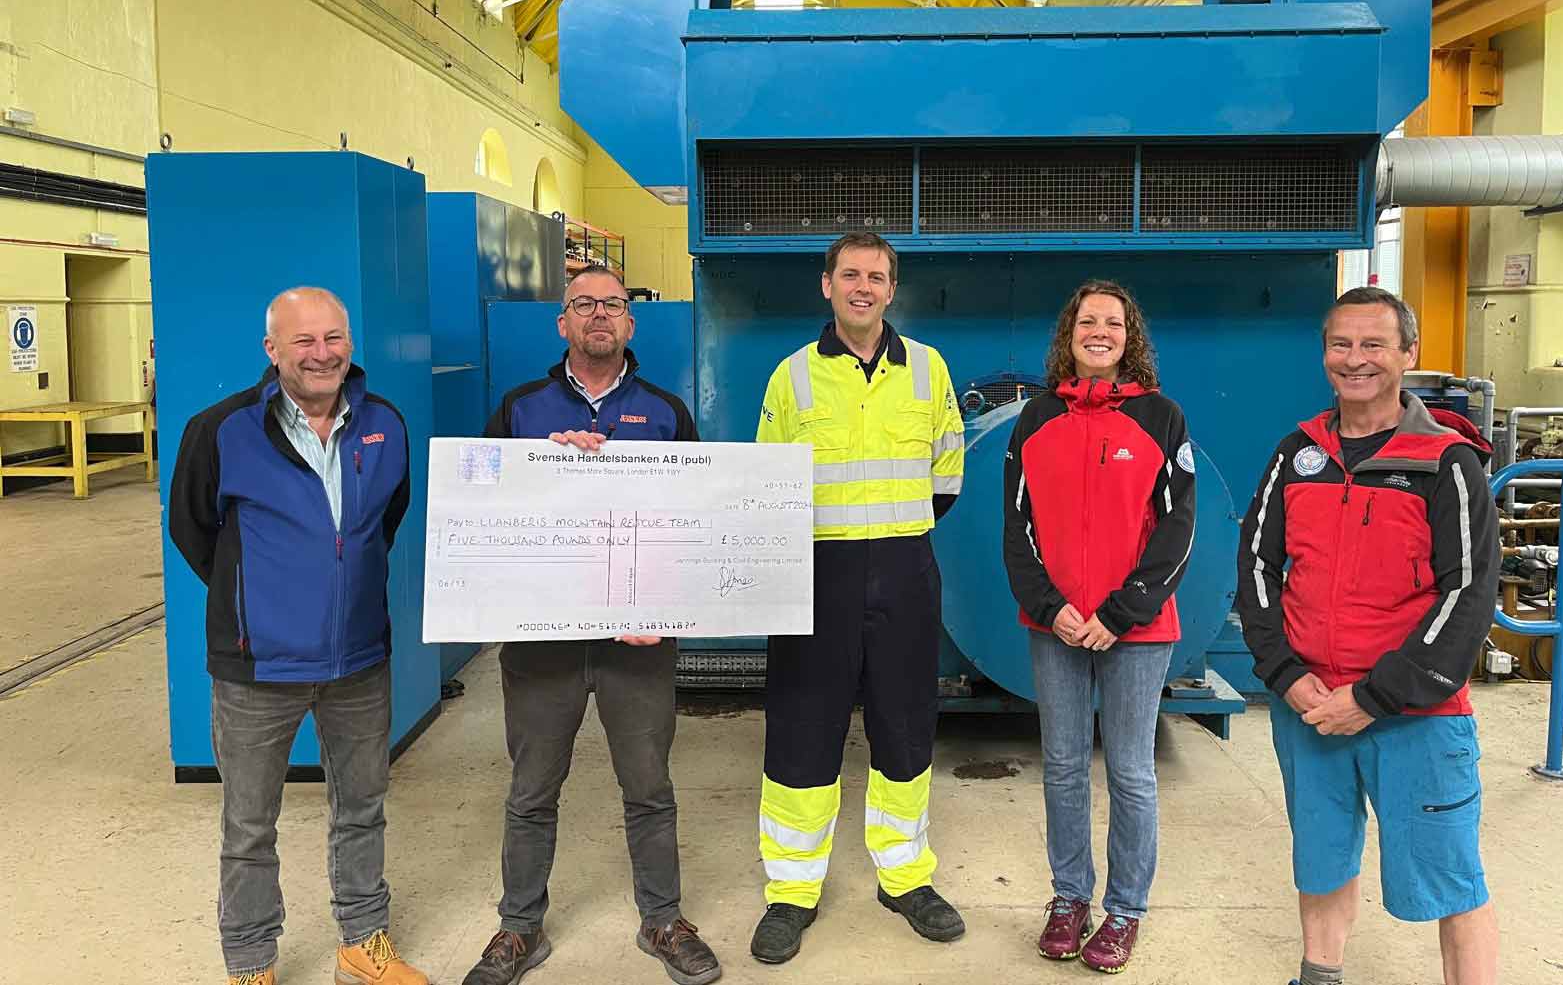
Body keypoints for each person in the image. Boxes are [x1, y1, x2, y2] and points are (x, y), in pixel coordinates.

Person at [461, 265, 720, 985]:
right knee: (532, 788)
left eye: (612, 305)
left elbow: (693, 522)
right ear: (563, 323)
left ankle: (663, 919)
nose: (599, 315)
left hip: (636, 641)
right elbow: (480, 513)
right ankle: (520, 929)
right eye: (585, 305)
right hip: (542, 641)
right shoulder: (520, 409)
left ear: (631, 323)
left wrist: (665, 610)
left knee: (648, 785)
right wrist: (546, 469)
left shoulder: (666, 412)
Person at [1237, 286, 1499, 985]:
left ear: (1409, 354)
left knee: (1451, 880)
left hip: (1417, 715)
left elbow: (1468, 599)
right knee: (1320, 864)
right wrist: (1287, 677)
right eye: (1341, 345)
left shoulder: (1447, 462)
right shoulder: (1298, 453)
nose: (1356, 361)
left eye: (1374, 345)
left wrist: (1376, 697)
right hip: (1311, 708)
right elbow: (1257, 569)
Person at [169, 287, 425, 985]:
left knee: (362, 809)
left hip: (360, 659)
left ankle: (361, 943)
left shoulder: (386, 424)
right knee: (249, 825)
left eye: (333, 337)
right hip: (258, 668)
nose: (321, 354)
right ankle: (251, 962)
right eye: (304, 341)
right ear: (272, 350)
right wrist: (260, 602)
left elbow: (383, 523)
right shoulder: (220, 430)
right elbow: (193, 531)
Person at [749, 232, 967, 964]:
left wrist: (892, 537)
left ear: (891, 288)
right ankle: (791, 890)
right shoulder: (792, 377)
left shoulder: (929, 370)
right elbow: (768, 483)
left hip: (905, 570)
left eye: (876, 276)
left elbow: (947, 473)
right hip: (812, 574)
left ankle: (905, 877)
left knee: (905, 727)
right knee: (802, 730)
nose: (863, 286)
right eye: (851, 274)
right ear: (827, 285)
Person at [1001, 280, 1196, 974]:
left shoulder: (1162, 419)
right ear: (1070, 333)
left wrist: (1119, 613)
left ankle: (1125, 912)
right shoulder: (1034, 419)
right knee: (1060, 766)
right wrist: (1052, 606)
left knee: (1133, 772)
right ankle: (1069, 899)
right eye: (1088, 321)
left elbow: (1177, 529)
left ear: (1128, 336)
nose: (1100, 332)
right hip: (1054, 623)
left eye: (1113, 322)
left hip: (1135, 630)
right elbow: (1015, 527)